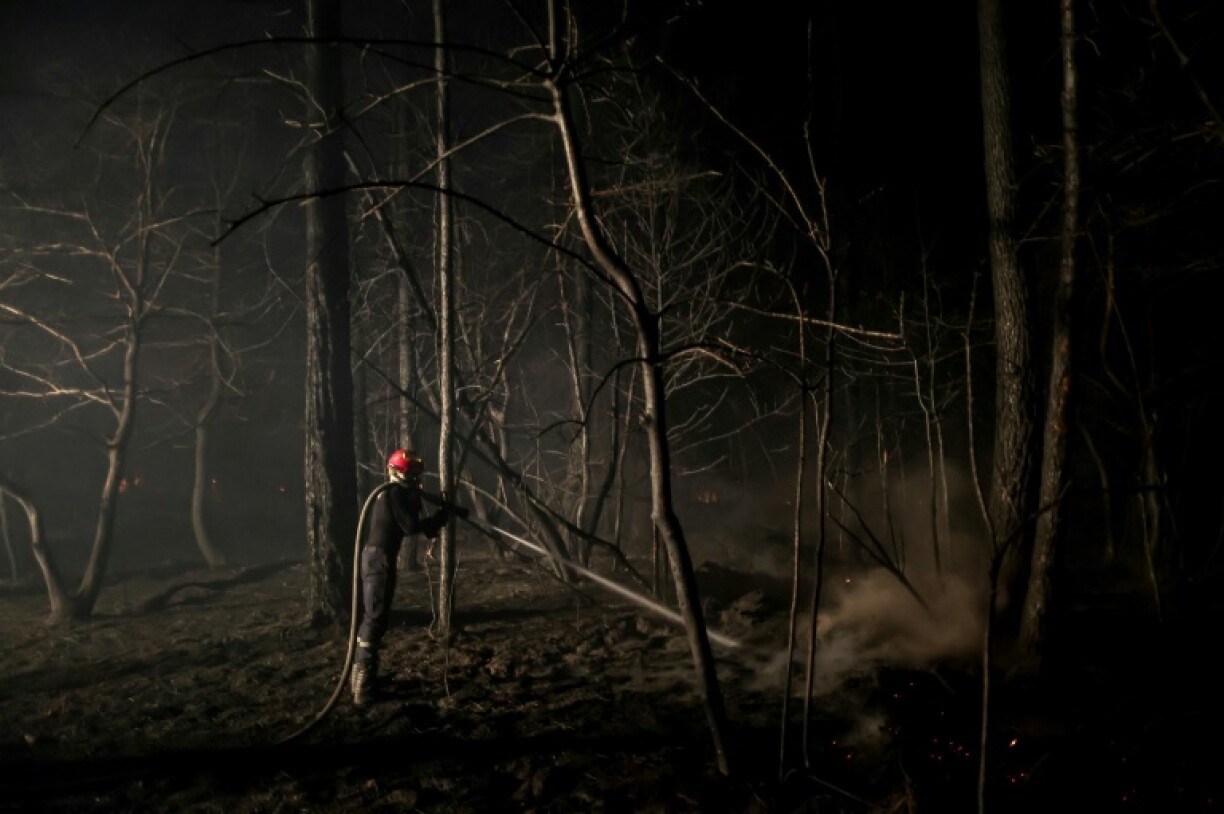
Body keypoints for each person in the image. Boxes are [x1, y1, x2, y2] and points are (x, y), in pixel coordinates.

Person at [351, 448, 450, 706]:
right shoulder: (392, 494)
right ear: (397, 472)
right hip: (378, 559)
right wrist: (440, 516)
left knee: (376, 617)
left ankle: (362, 679)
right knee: (375, 618)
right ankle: (363, 686)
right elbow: (411, 526)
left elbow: (414, 525)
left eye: (417, 473)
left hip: (379, 557)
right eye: (411, 473)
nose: (416, 478)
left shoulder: (397, 494)